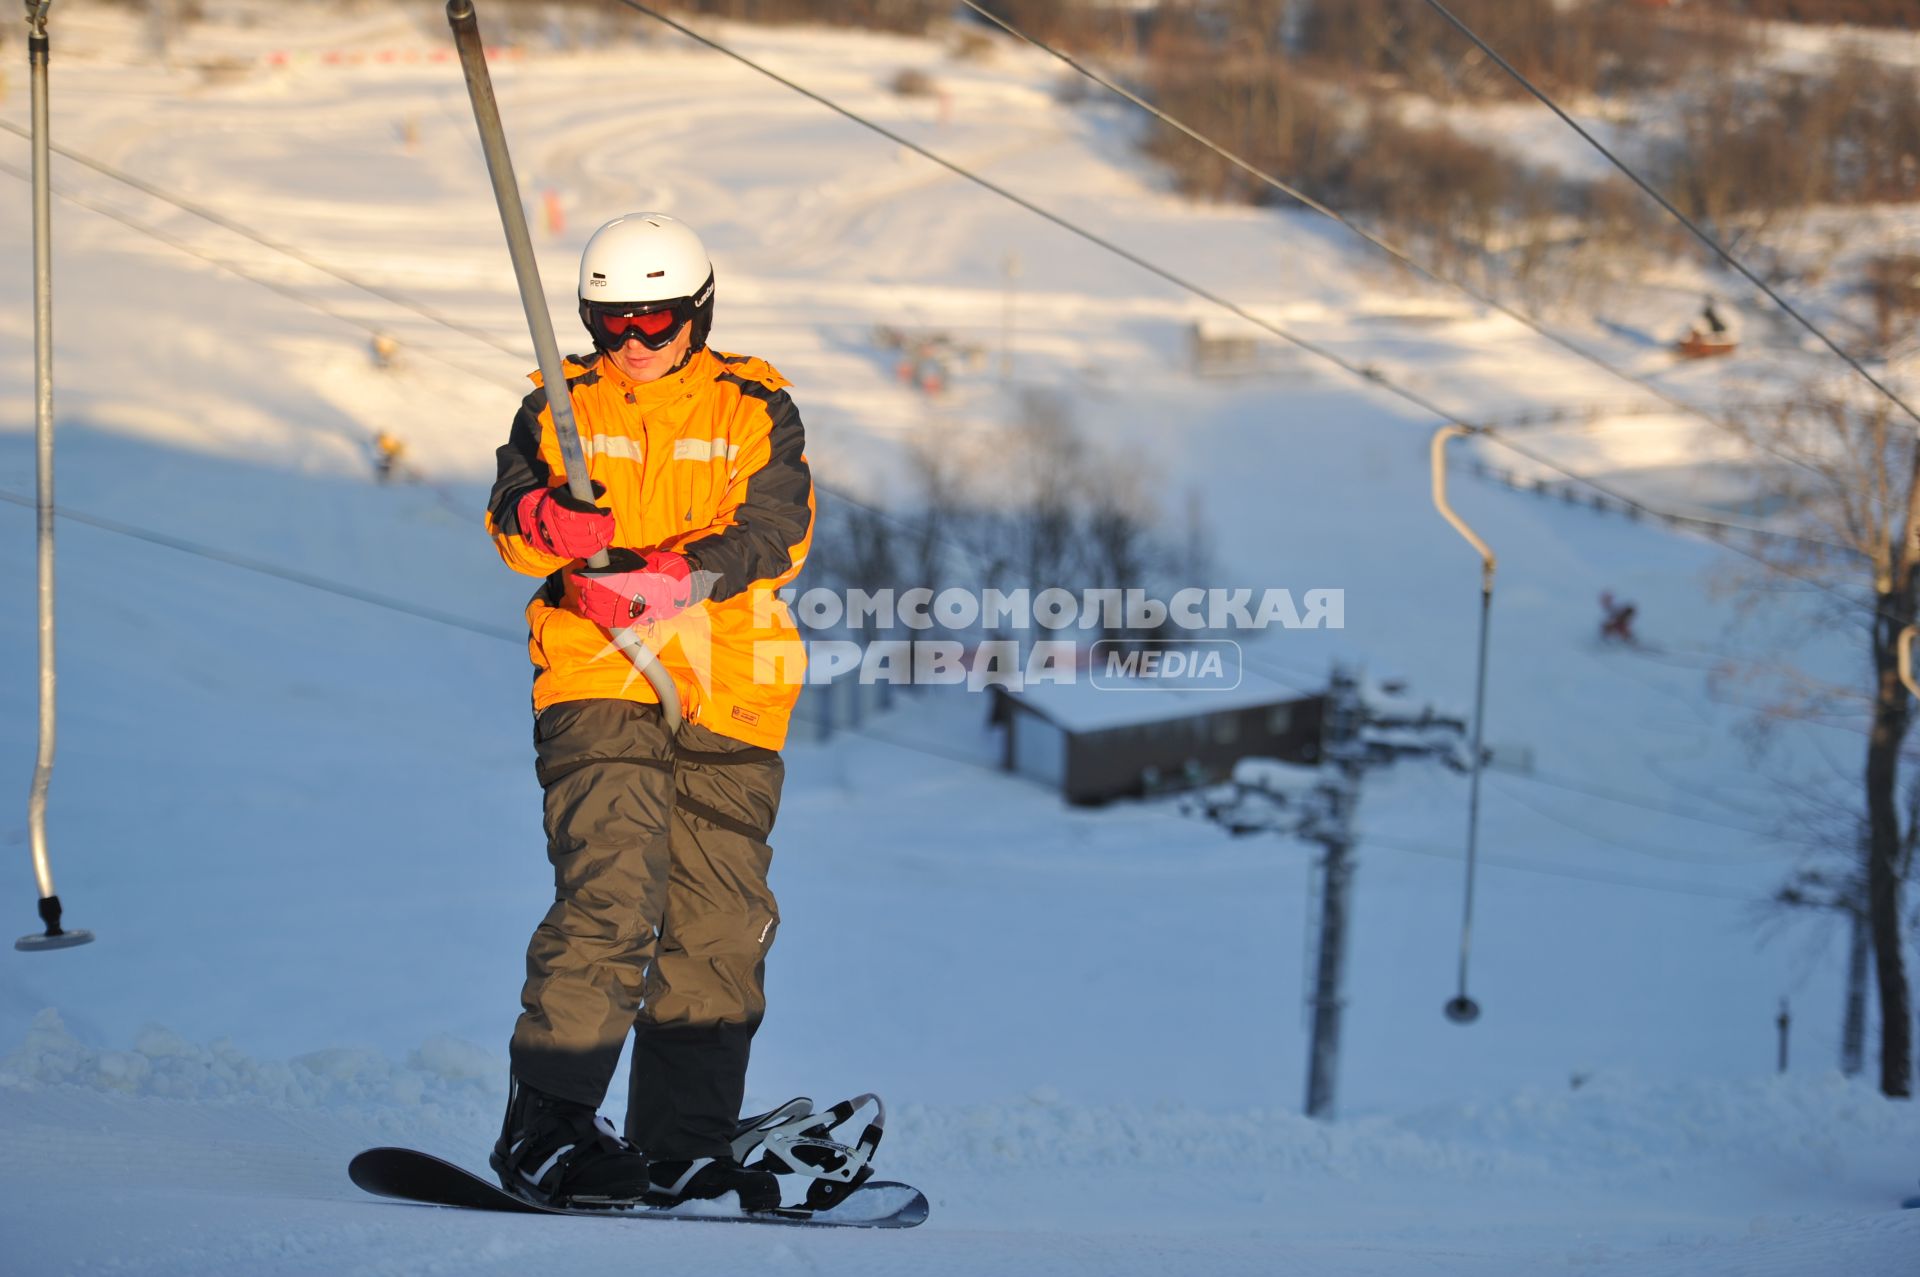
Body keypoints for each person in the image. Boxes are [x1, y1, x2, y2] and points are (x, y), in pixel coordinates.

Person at [481, 213, 814, 1211]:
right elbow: (511, 513)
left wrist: (679, 573)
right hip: (600, 670)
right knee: (614, 889)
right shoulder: (558, 401)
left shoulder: (755, 400)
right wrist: (546, 520)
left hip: (732, 685)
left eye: (655, 319)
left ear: (699, 312)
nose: (631, 342)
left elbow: (776, 526)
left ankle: (682, 1146)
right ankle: (548, 1129)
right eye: (610, 321)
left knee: (720, 920)